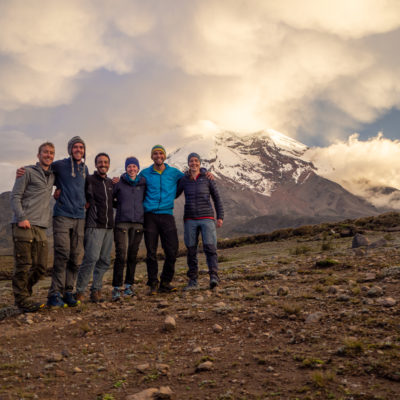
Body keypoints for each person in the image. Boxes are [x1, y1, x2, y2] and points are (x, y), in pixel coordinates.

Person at [10, 142, 56, 312]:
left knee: (41, 267)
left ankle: (24, 293)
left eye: (51, 153)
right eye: (45, 152)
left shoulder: (52, 175)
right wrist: (21, 217)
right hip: (24, 225)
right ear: (38, 155)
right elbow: (15, 196)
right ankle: (21, 301)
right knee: (23, 265)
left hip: (41, 227)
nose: (48, 155)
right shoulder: (27, 172)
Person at [139, 145, 185, 295]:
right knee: (151, 252)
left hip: (167, 214)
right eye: (155, 153)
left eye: (161, 153)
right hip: (150, 216)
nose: (158, 155)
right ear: (152, 157)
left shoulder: (173, 172)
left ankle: (165, 282)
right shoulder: (145, 173)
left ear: (164, 156)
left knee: (172, 250)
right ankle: (153, 284)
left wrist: (204, 172)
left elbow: (187, 178)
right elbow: (134, 184)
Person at [176, 152, 224, 290]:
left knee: (210, 248)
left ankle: (214, 277)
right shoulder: (184, 180)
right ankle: (193, 280)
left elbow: (217, 198)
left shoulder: (208, 178)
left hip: (207, 218)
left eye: (196, 161)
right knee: (191, 250)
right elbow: (174, 193)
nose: (194, 163)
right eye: (191, 161)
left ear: (200, 163)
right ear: (188, 163)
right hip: (190, 219)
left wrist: (220, 216)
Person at [75, 153, 114, 303]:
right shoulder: (89, 180)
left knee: (104, 260)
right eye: (100, 162)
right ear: (96, 164)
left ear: (109, 164)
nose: (103, 164)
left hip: (109, 227)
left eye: (105, 162)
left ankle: (96, 290)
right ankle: (80, 291)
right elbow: (77, 192)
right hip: (93, 225)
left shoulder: (111, 183)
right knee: (90, 259)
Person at [111, 156, 146, 301]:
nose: (132, 169)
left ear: (138, 168)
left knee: (132, 255)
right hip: (121, 223)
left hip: (138, 223)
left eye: (134, 166)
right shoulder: (119, 183)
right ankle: (116, 288)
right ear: (126, 168)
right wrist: (120, 207)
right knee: (121, 255)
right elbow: (111, 199)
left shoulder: (143, 183)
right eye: (129, 166)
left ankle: (129, 286)